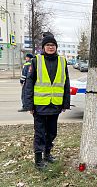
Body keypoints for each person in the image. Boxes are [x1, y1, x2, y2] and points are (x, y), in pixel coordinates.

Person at [24, 34, 70, 170]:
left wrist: (65, 103)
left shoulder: (62, 61)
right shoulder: (36, 61)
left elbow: (66, 83)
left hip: (55, 104)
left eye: (53, 45)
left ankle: (47, 154)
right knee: (40, 133)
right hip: (39, 106)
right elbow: (29, 83)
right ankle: (38, 160)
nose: (51, 47)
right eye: (48, 45)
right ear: (43, 47)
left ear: (56, 47)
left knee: (52, 132)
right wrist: (29, 105)